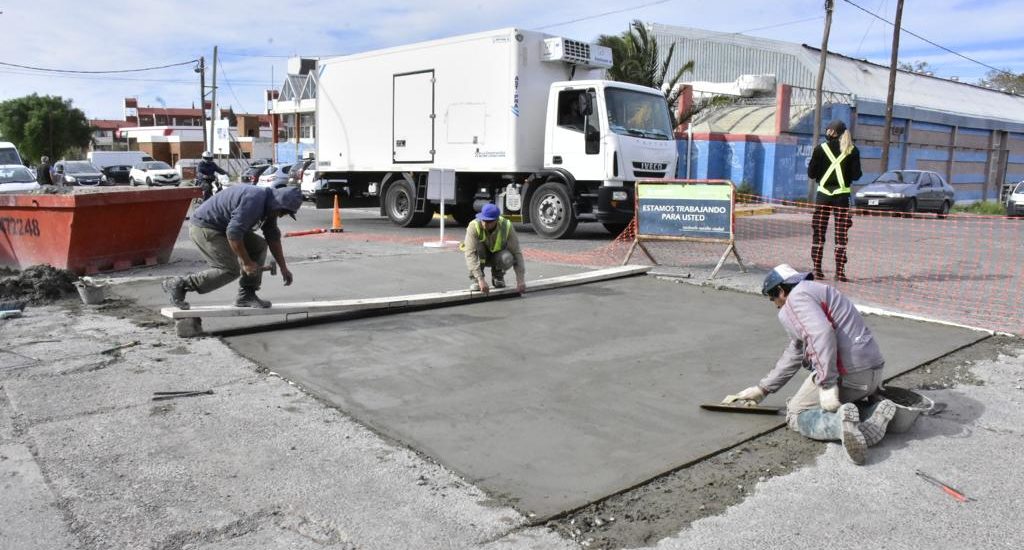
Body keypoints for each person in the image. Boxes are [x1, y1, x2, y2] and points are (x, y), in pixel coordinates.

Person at [725, 264, 897, 465]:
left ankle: (839, 425)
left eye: (772, 298)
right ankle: (871, 413)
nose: (775, 305)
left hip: (848, 376)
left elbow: (821, 333)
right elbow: (797, 350)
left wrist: (827, 383)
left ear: (781, 290)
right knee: (841, 403)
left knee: (795, 412)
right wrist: (762, 389)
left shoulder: (795, 299)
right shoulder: (819, 291)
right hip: (872, 375)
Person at [161, 185, 301, 310]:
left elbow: (273, 238)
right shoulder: (254, 200)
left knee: (259, 246)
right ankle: (180, 284)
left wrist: (283, 267)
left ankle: (247, 295)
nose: (281, 216)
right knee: (229, 269)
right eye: (283, 212)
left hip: (223, 227)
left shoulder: (270, 206)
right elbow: (233, 234)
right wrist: (246, 262)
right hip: (205, 227)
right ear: (278, 203)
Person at [807, 120, 862, 282]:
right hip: (842, 197)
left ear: (831, 132)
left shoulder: (820, 149)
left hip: (823, 196)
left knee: (819, 232)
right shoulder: (852, 150)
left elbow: (811, 174)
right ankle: (840, 272)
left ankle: (817, 269)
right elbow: (856, 175)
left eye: (828, 130)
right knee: (841, 234)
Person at [462, 203, 526, 295]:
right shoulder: (473, 226)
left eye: (489, 221)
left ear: (496, 220)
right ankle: (476, 280)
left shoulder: (506, 226)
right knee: (477, 249)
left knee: (507, 257)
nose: (485, 223)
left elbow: (516, 253)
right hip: (481, 256)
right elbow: (470, 254)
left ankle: (498, 276)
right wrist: (480, 279)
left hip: (496, 257)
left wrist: (520, 280)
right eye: (483, 220)